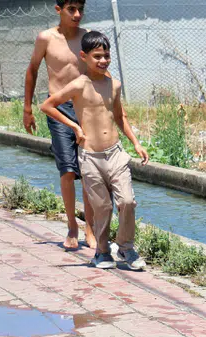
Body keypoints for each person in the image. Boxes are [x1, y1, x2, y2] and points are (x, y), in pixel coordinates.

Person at [40, 30, 149, 272]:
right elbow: (47, 105)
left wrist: (136, 143)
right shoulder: (79, 84)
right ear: (84, 57)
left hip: (116, 153)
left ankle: (125, 247)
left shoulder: (115, 84)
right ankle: (101, 251)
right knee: (103, 208)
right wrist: (74, 126)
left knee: (128, 202)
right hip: (90, 156)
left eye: (107, 56)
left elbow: (120, 116)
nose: (103, 61)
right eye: (97, 56)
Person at [23, 0, 96, 251]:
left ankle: (89, 228)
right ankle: (72, 226)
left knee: (88, 172)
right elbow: (32, 69)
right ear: (58, 10)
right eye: (71, 10)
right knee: (67, 170)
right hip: (58, 109)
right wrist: (27, 109)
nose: (77, 15)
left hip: (86, 109)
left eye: (80, 10)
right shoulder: (46, 38)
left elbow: (100, 70)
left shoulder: (88, 37)